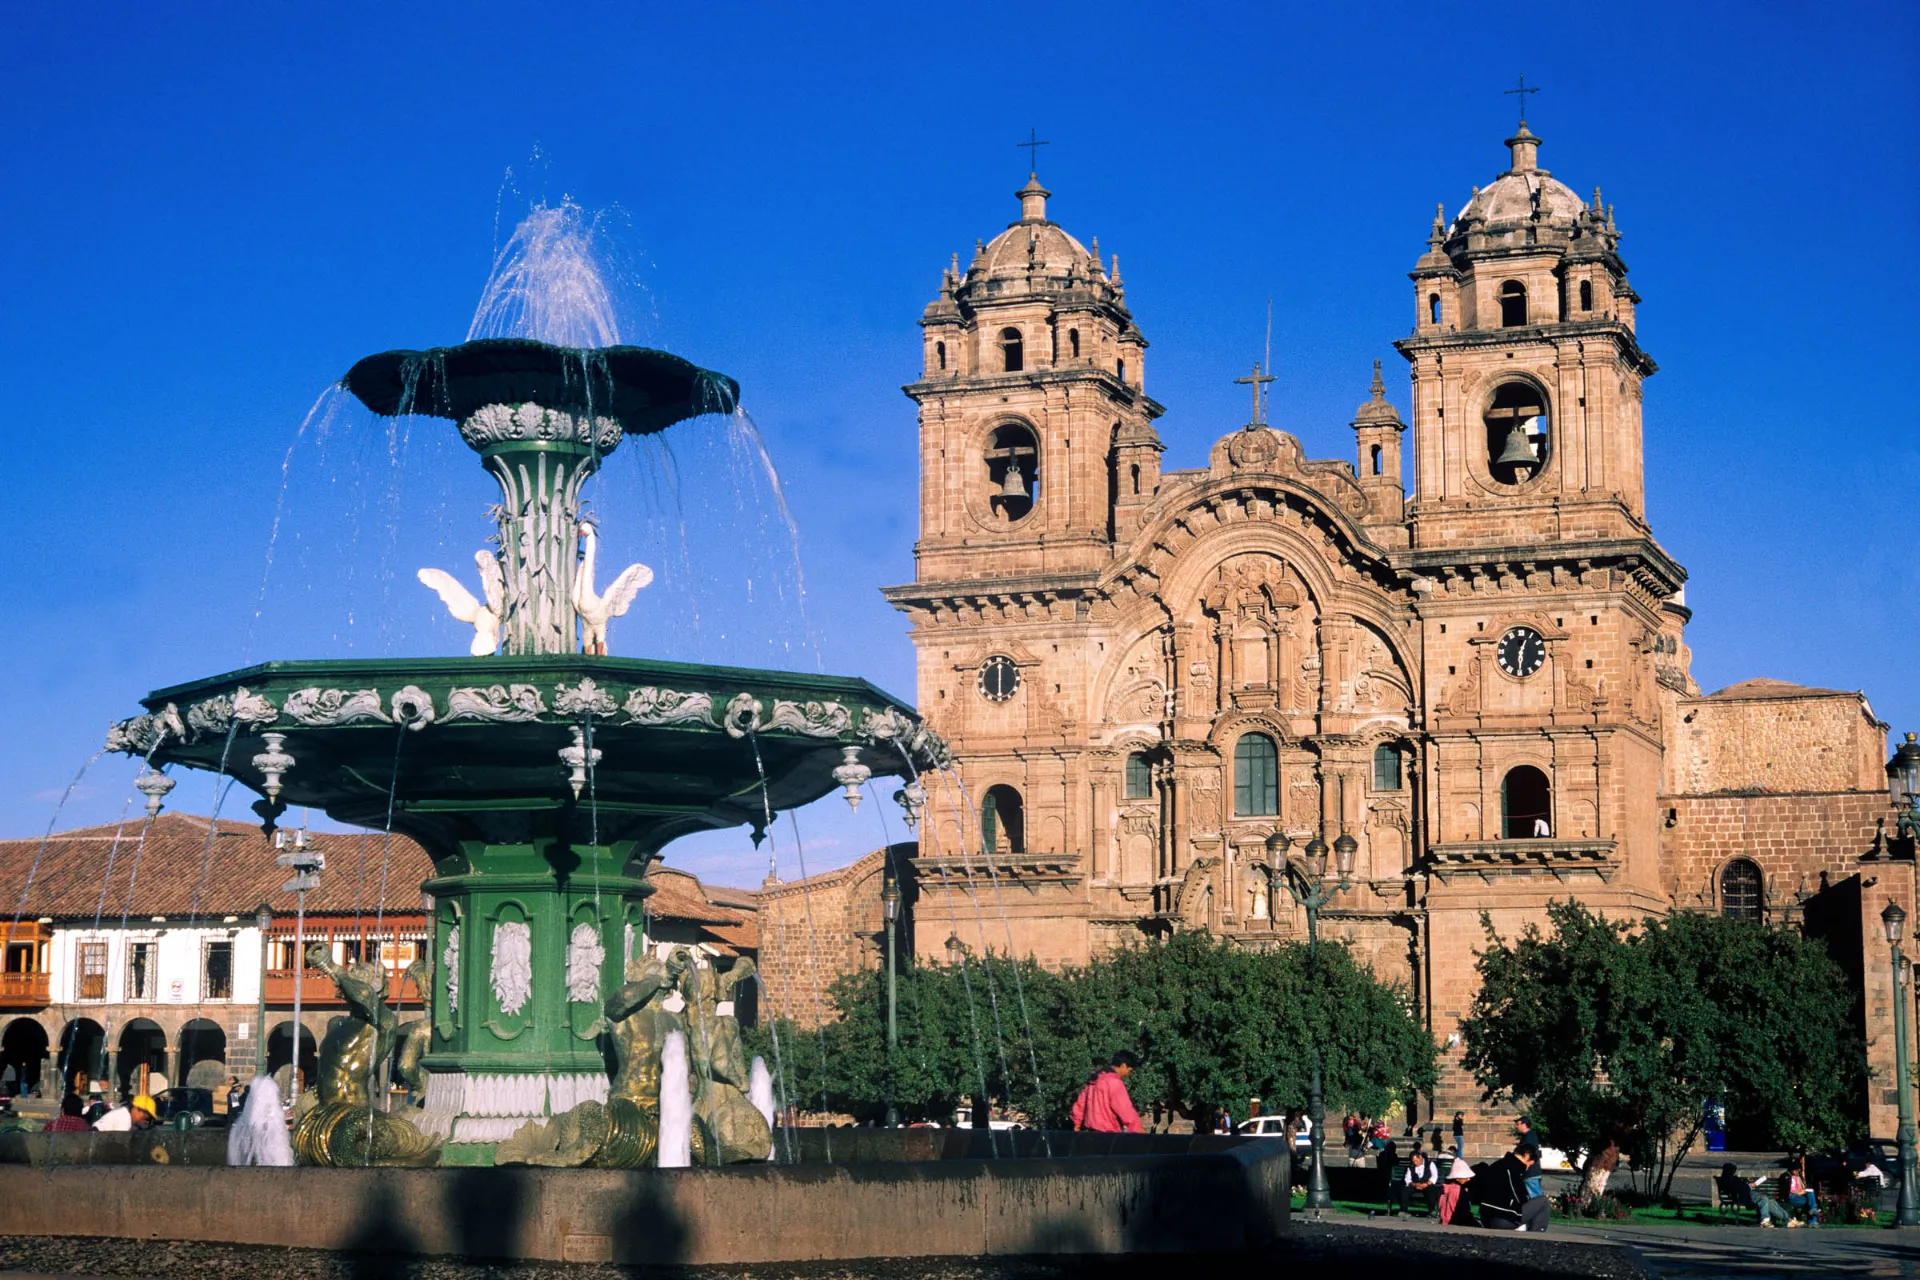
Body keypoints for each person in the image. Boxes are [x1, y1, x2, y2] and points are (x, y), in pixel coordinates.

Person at [1475, 1145, 1550, 1232]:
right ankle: (1536, 1235)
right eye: (1529, 1164)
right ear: (1526, 1156)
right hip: (1502, 1218)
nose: (1527, 1168)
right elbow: (1519, 1197)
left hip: (1486, 1217)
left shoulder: (1499, 1164)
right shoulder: (1513, 1169)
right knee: (1543, 1201)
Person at [1070, 1051, 1143, 1134]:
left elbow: (1081, 1103)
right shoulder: (1114, 1082)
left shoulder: (1094, 1079)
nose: (1128, 1074)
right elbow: (1125, 1109)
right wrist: (1137, 1128)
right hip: (1108, 1134)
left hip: (1090, 1133)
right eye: (1129, 1071)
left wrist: (1077, 1122)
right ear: (1123, 1065)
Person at [1717, 1162, 1789, 1228]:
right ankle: (1765, 1220)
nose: (1733, 1172)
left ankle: (1788, 1219)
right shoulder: (1727, 1180)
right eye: (1732, 1171)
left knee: (1770, 1201)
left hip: (1747, 1193)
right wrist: (1749, 1186)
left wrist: (1746, 1181)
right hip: (1745, 1196)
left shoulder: (1732, 1178)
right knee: (1763, 1199)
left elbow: (1739, 1185)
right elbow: (1736, 1189)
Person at [1394, 1148, 1438, 1217]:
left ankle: (1432, 1210)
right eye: (1413, 1161)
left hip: (1427, 1184)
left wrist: (1426, 1184)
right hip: (1415, 1184)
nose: (1415, 1163)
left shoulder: (1430, 1164)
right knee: (1405, 1189)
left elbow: (1434, 1176)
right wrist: (1414, 1184)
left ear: (1420, 1157)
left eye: (1416, 1161)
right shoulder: (1411, 1167)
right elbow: (1407, 1179)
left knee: (1431, 1190)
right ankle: (1403, 1210)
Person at [1438, 1154, 1476, 1225]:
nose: (1468, 1179)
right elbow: (1463, 1211)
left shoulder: (1444, 1189)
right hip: (1457, 1222)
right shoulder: (1459, 1191)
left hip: (1445, 1221)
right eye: (1466, 1177)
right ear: (1457, 1178)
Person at [1514, 1116, 1544, 1200]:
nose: (1516, 1126)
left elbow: (1531, 1153)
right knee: (1532, 1198)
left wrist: (1527, 1163)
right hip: (1528, 1173)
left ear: (1524, 1125)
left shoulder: (1530, 1136)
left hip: (1531, 1173)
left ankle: (1541, 1208)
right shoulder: (1526, 1136)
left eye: (1518, 1124)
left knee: (1535, 1198)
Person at [1784, 1155, 1819, 1226]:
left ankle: (1813, 1210)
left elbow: (1801, 1188)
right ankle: (1812, 1221)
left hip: (1799, 1196)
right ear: (1792, 1169)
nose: (1798, 1172)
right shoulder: (1786, 1176)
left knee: (1811, 1193)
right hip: (1791, 1197)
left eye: (1799, 1170)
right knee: (1810, 1203)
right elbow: (1787, 1190)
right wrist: (1798, 1193)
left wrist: (1804, 1191)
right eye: (1796, 1170)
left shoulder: (1798, 1177)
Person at [92, 1094, 157, 1132]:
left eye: (148, 1119)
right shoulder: (124, 1118)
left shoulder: (125, 1114)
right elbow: (121, 1146)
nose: (144, 1121)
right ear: (135, 1108)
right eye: (145, 1117)